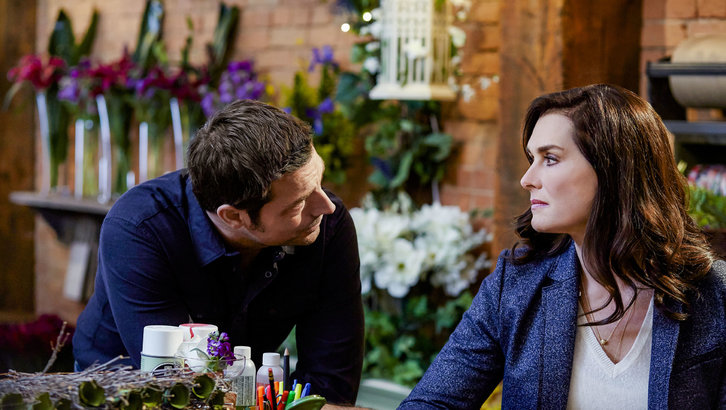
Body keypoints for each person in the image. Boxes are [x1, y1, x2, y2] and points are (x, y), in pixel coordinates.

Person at [399, 84, 726, 409]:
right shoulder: (515, 285)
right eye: (532, 158)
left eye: (550, 159)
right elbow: (431, 403)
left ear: (613, 169)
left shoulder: (714, 293)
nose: (527, 179)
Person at [73, 99, 364, 404]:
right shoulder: (140, 227)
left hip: (237, 392)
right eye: (298, 204)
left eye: (319, 181)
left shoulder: (327, 225)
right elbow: (178, 389)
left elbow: (330, 383)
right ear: (234, 216)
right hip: (116, 389)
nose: (326, 206)